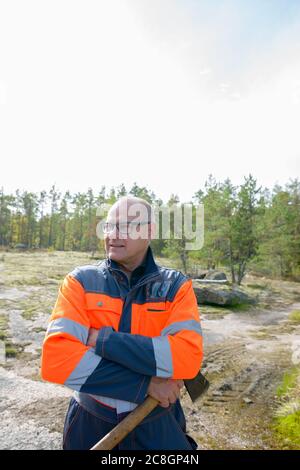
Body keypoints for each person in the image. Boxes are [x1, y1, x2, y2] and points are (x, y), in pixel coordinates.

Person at [41, 196, 203, 450]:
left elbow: (186, 359)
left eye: (126, 226)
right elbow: (57, 361)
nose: (113, 234)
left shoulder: (175, 287)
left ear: (149, 231)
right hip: (90, 422)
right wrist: (145, 384)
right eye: (109, 225)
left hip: (157, 423)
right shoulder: (80, 282)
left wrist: (103, 341)